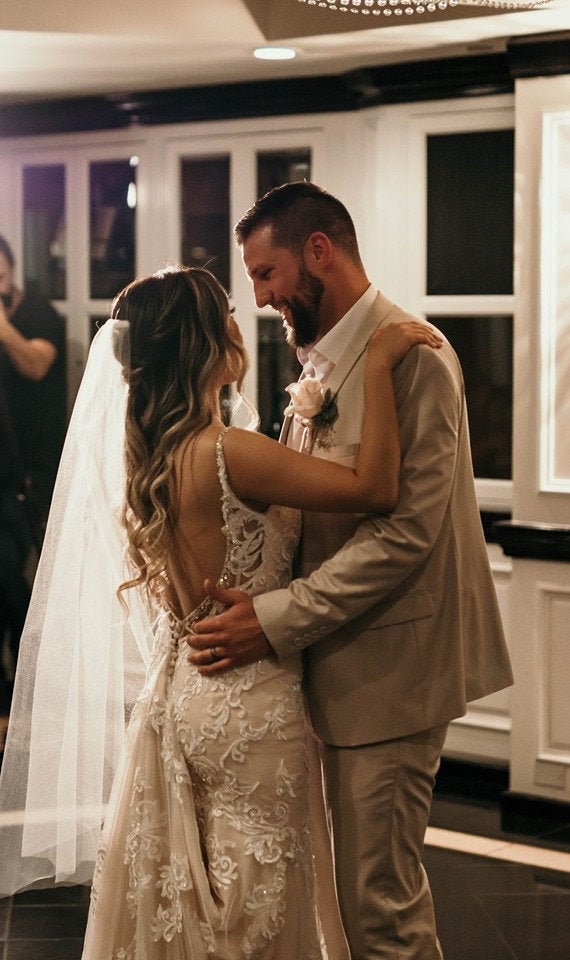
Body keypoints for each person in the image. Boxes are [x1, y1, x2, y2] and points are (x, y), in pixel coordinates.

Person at [0, 265, 441, 959]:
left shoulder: (157, 453)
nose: (243, 318)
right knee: (253, 904)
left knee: (203, 894)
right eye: (229, 309)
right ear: (204, 340)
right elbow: (379, 486)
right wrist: (380, 360)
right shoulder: (230, 452)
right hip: (249, 696)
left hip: (185, 687)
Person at [187, 182, 515, 960]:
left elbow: (406, 534)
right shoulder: (322, 359)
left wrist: (270, 621)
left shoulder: (414, 355)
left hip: (392, 673)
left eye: (266, 274)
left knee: (379, 911)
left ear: (319, 253)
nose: (261, 297)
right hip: (333, 662)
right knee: (348, 906)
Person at [0, 233, 66, 680]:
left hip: (32, 465)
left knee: (23, 579)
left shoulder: (40, 314)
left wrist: (2, 325)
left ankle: (32, 678)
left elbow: (35, 365)